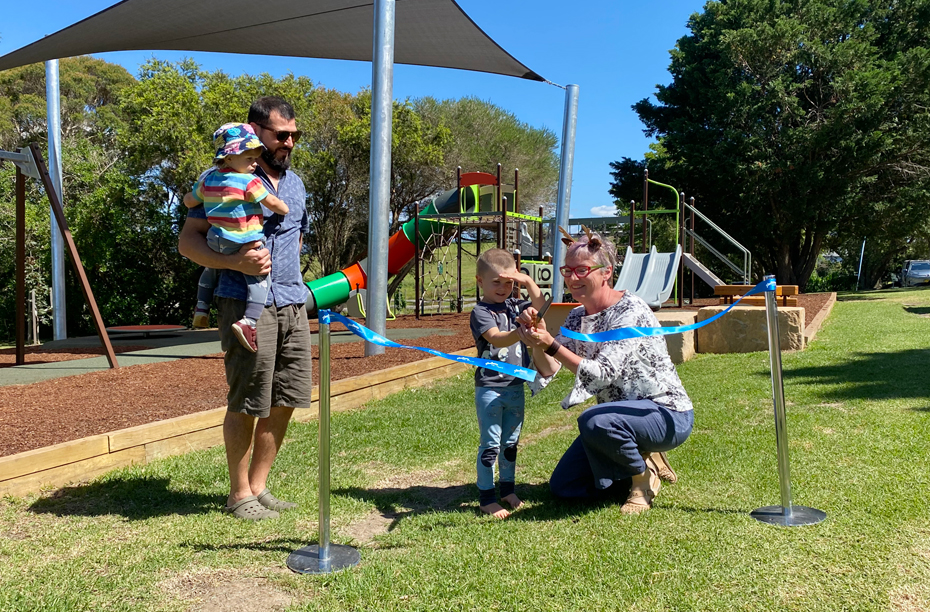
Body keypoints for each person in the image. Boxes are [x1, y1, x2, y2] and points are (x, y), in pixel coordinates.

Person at [178, 96, 312, 521]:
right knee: (247, 398)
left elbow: (296, 238)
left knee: (287, 397)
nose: (289, 142)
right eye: (281, 135)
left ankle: (258, 487)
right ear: (256, 134)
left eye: (295, 135)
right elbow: (189, 242)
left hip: (292, 302)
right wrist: (233, 262)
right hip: (244, 303)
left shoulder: (296, 184)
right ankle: (238, 495)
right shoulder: (219, 179)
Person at [517, 227, 693, 514]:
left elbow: (601, 374)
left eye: (582, 270)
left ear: (606, 272)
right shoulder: (576, 316)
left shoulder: (630, 311)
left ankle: (642, 480)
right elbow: (550, 367)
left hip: (665, 413)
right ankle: (643, 457)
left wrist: (550, 344)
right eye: (567, 270)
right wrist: (537, 340)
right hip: (614, 418)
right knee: (565, 487)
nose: (573, 278)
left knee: (593, 421)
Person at [183, 122, 290, 352]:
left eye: (255, 157)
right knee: (260, 279)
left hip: (216, 240)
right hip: (244, 241)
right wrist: (284, 209)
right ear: (229, 158)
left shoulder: (209, 180)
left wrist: (191, 198)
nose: (254, 163)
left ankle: (201, 307)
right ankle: (248, 322)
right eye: (249, 158)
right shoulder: (249, 181)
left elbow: (190, 200)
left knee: (210, 268)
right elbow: (273, 203)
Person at [469, 249, 548, 518]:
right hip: (490, 389)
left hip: (516, 387)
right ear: (480, 281)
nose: (503, 288)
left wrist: (529, 284)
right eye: (496, 282)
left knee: (511, 443)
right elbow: (497, 339)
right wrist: (521, 332)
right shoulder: (481, 312)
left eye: (509, 282)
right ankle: (486, 498)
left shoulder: (517, 305)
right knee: (490, 444)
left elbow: (543, 310)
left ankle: (507, 490)